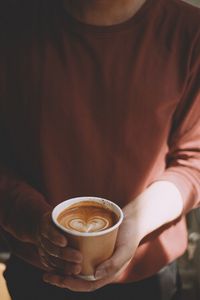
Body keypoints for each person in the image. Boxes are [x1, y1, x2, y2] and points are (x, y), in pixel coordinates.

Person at [0, 0, 199, 299]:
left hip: (149, 272)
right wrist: (31, 220)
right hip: (37, 271)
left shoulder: (189, 30)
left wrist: (135, 222)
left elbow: (193, 160)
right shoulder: (11, 23)